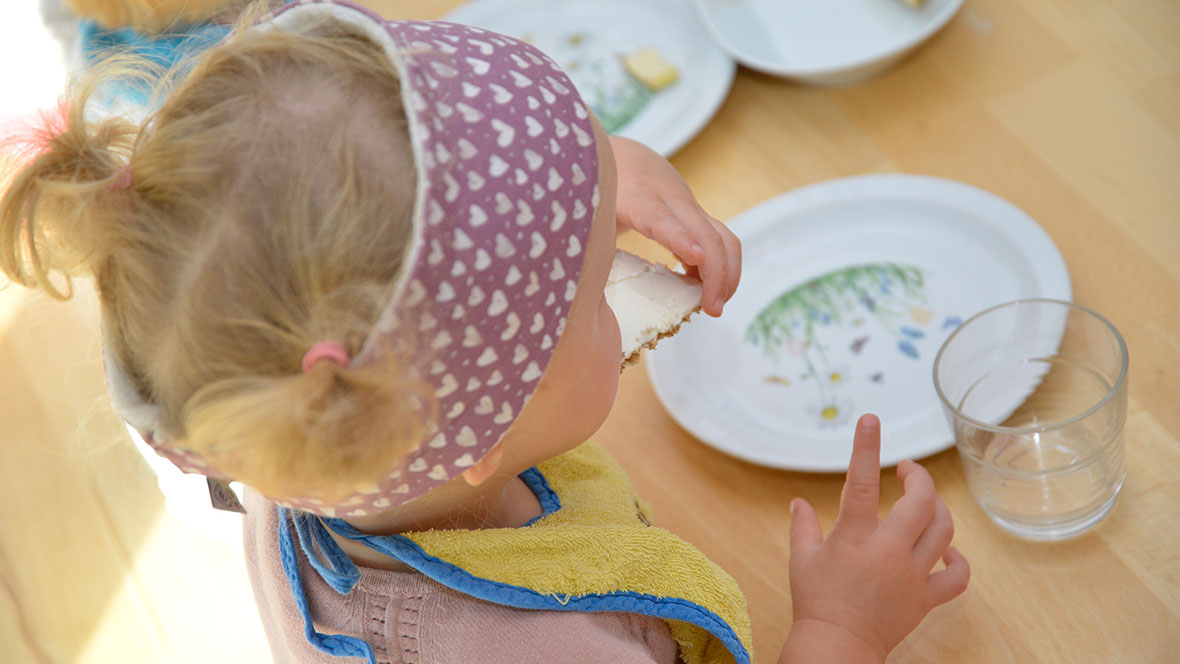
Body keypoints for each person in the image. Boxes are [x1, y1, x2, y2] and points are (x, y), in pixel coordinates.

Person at [0, 1, 968, 662]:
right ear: (482, 433)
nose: (623, 280)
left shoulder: (294, 437)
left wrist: (601, 175)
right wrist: (840, 628)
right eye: (594, 287)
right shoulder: (546, 647)